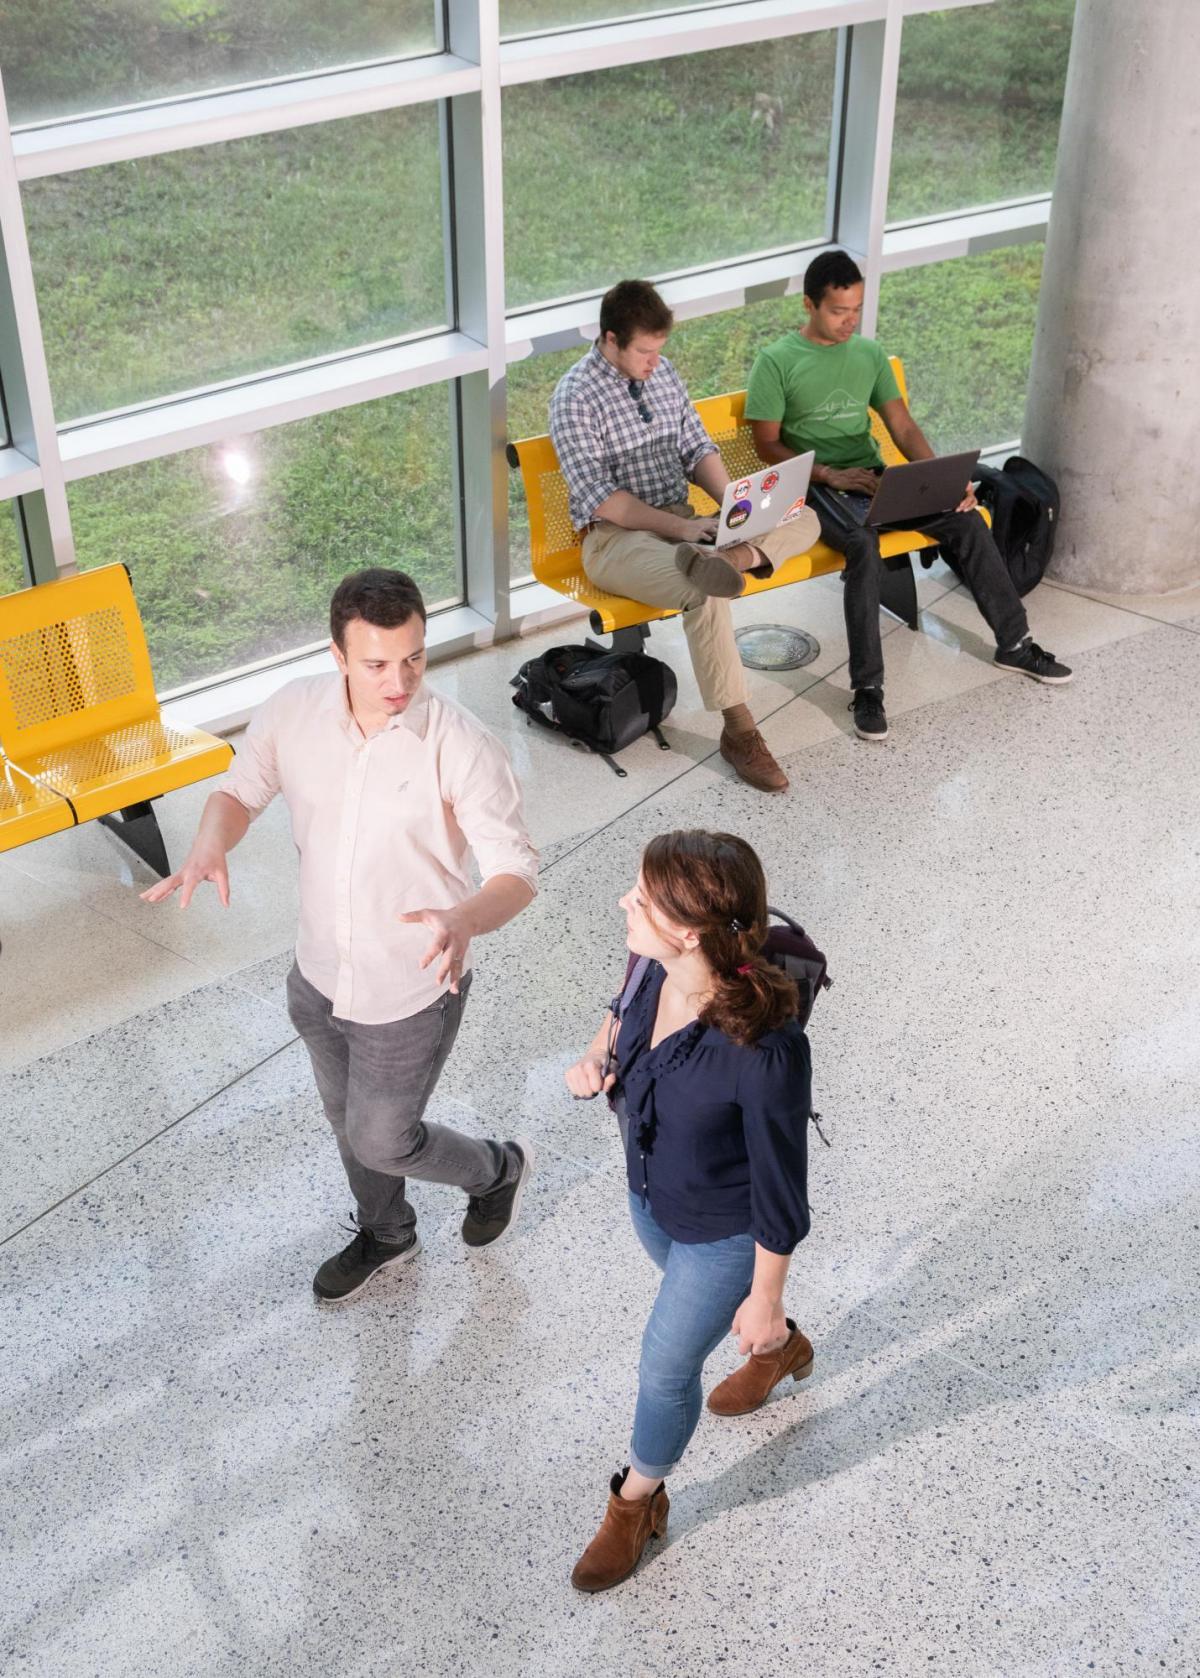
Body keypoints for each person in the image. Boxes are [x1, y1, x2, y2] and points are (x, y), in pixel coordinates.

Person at [143, 568, 539, 1302]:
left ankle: (498, 1168)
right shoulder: (292, 713)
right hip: (318, 975)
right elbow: (239, 790)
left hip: (412, 986)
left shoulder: (461, 743)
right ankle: (387, 1233)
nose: (400, 681)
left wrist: (463, 918)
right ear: (338, 655)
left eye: (414, 658)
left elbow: (516, 870)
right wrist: (210, 843)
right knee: (347, 1121)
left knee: (383, 1136)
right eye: (377, 664)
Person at [563, 830, 813, 1593]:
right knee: (702, 1319)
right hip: (652, 1199)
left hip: (726, 1235)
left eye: (639, 899)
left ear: (690, 929)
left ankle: (636, 1502)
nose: (622, 905)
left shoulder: (762, 1050)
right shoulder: (649, 964)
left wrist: (763, 1293)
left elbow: (781, 1189)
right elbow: (618, 1014)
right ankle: (777, 1349)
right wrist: (596, 1057)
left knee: (665, 1366)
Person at [746, 248, 1073, 741]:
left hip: (873, 475)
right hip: (818, 486)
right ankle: (869, 689)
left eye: (856, 309)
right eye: (838, 310)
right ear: (809, 305)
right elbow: (766, 445)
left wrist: (945, 479)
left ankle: (1015, 644)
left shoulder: (869, 355)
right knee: (861, 544)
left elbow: (900, 424)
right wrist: (830, 474)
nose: (849, 321)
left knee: (965, 520)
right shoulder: (776, 362)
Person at [549, 279, 822, 795]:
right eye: (646, 352)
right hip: (615, 540)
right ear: (610, 340)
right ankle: (740, 732)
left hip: (688, 528)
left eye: (659, 351)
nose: (656, 362)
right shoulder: (573, 399)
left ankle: (741, 555)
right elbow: (605, 501)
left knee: (802, 516)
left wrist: (737, 509)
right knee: (703, 588)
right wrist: (682, 529)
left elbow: (697, 449)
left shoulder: (663, 373)